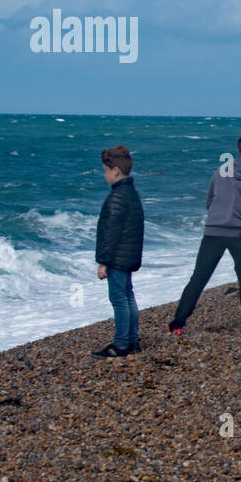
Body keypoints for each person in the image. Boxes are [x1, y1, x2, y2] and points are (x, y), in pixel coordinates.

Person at [169, 134, 241, 337]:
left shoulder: (221, 172)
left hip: (214, 232)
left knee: (199, 278)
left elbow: (209, 201)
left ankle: (177, 325)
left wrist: (220, 219)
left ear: (239, 150)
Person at [93, 145, 144, 358]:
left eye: (105, 171)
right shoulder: (131, 193)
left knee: (119, 298)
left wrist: (104, 262)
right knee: (128, 296)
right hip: (130, 254)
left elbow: (111, 232)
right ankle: (131, 340)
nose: (104, 175)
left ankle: (122, 343)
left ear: (115, 170)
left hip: (118, 257)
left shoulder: (117, 197)